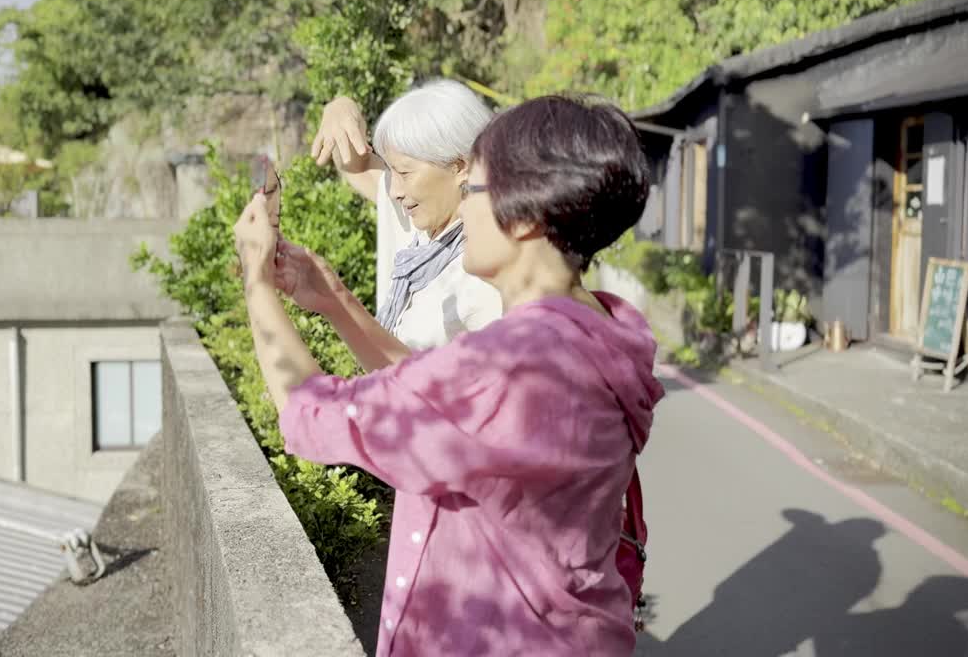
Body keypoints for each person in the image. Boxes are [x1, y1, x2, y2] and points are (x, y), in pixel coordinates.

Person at [234, 94, 665, 656]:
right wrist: (334, 298)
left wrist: (256, 283)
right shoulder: (599, 327)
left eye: (474, 190)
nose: (462, 210)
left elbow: (311, 414)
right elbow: (449, 405)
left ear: (528, 215)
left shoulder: (508, 366)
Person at [308, 80, 501, 356]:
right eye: (390, 170)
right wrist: (341, 108)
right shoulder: (418, 216)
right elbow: (356, 164)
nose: (394, 190)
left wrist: (337, 304)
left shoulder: (487, 276)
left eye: (405, 173)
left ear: (460, 167)